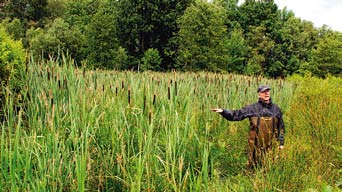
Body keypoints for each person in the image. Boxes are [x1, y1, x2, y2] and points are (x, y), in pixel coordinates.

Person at [211, 85, 285, 168]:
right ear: (259, 95)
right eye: (263, 92)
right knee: (253, 166)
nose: (266, 93)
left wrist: (281, 143)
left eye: (268, 91)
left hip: (271, 144)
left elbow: (281, 127)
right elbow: (236, 115)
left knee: (270, 165)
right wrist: (223, 111)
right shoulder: (252, 108)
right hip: (255, 144)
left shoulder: (276, 109)